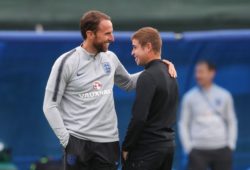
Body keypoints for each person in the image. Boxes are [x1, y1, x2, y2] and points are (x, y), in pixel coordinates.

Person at [43, 11, 177, 170]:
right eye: (107, 33)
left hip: (108, 143)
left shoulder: (110, 58)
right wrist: (67, 141)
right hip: (78, 142)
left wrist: (158, 67)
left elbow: (128, 83)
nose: (112, 38)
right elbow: (50, 106)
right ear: (90, 34)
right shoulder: (66, 62)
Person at [122, 27, 179, 170]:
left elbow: (139, 117)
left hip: (147, 150)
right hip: (167, 148)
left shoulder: (147, 76)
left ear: (148, 47)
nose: (132, 52)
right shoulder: (170, 73)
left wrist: (126, 146)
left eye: (135, 47)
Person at [179, 60, 238, 170]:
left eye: (201, 72)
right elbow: (183, 123)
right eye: (196, 72)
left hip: (222, 149)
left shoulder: (225, 95)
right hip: (197, 151)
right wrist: (188, 148)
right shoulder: (189, 97)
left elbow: (232, 121)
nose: (197, 75)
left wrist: (231, 145)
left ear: (212, 73)